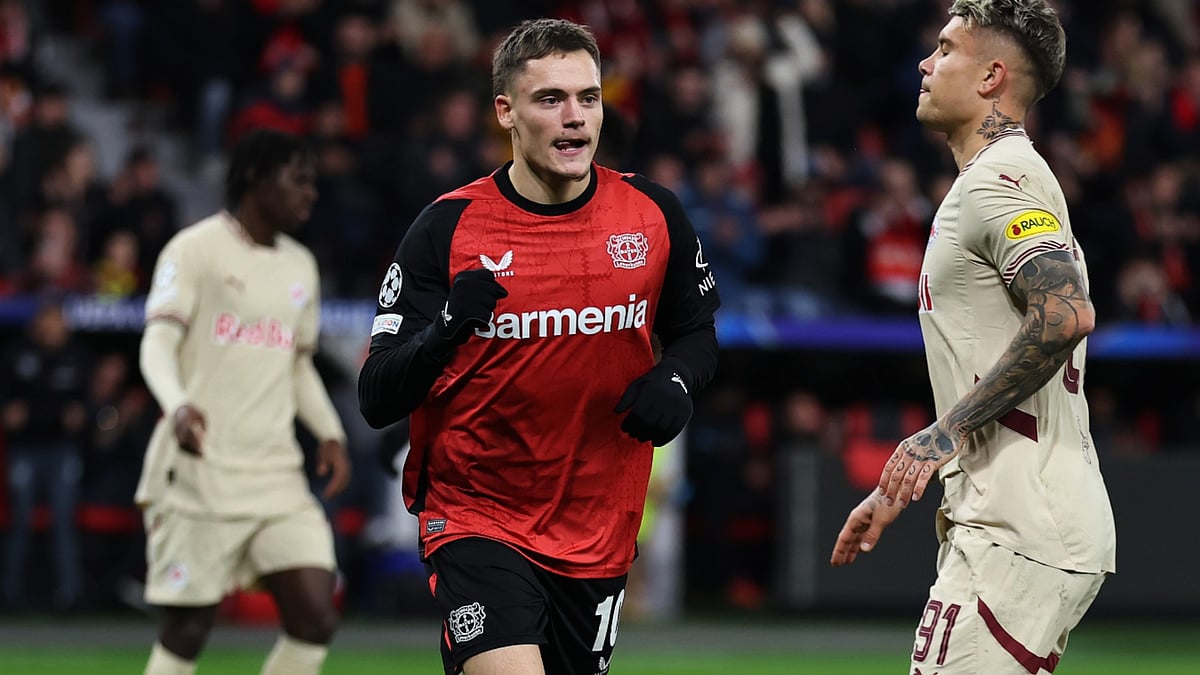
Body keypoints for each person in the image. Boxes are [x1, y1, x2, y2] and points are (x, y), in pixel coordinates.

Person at [358, 18, 720, 675]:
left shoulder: (653, 214)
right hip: (477, 516)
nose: (575, 117)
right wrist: (444, 330)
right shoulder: (447, 228)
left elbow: (696, 332)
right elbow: (376, 394)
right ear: (506, 111)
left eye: (588, 97)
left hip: (598, 527)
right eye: (550, 99)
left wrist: (677, 381)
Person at [830, 2, 1116, 673]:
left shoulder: (998, 180)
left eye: (945, 49)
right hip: (1017, 521)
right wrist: (902, 483)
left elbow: (1066, 312)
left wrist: (942, 433)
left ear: (991, 76)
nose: (926, 64)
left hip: (1019, 530)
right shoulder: (999, 178)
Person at [135, 129, 351, 675]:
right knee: (186, 630)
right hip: (199, 471)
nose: (311, 194)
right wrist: (178, 404)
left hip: (275, 474)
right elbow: (157, 341)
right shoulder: (194, 249)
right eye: (298, 180)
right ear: (256, 177)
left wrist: (329, 433)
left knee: (315, 616)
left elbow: (296, 363)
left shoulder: (301, 266)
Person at [0, 297, 90, 611]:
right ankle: (10, 595)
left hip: (61, 449)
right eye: (47, 320)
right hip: (25, 449)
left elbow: (87, 408)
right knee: (21, 520)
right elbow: (7, 403)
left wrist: (81, 416)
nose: (52, 327)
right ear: (38, 323)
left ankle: (69, 595)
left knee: (63, 520)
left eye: (58, 321)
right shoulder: (18, 355)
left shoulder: (77, 358)